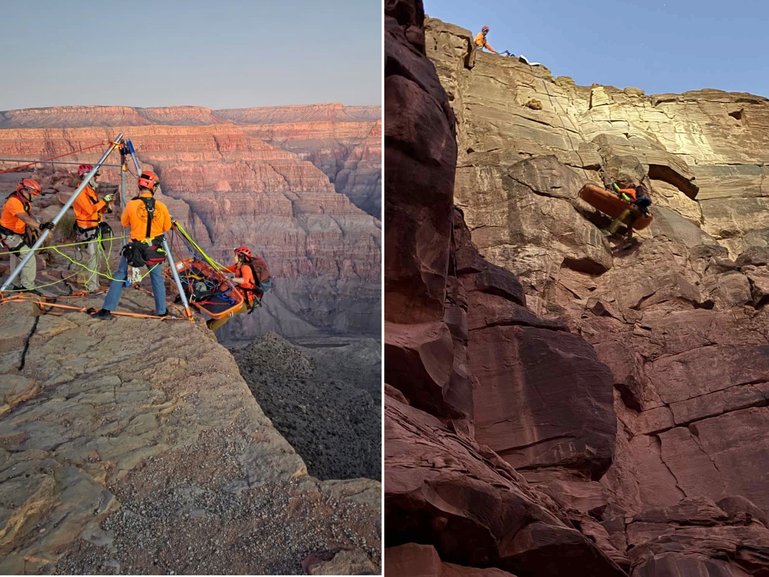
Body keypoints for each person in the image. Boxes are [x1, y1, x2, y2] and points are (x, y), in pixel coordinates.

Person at [94, 170, 171, 319]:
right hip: (153, 248)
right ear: (153, 187)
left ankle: (107, 309)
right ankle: (161, 311)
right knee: (157, 278)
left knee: (120, 274)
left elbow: (124, 222)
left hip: (134, 247)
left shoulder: (131, 204)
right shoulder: (161, 206)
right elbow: (166, 227)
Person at [0, 178, 52, 294]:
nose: (34, 197)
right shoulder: (14, 201)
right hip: (9, 235)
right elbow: (24, 217)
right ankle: (27, 286)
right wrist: (40, 227)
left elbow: (29, 216)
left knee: (16, 258)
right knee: (28, 256)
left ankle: (16, 285)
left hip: (17, 234)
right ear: (24, 191)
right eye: (33, 194)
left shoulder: (25, 202)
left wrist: (41, 225)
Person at [68, 164, 114, 291]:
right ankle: (92, 287)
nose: (96, 179)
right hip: (87, 229)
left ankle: (96, 284)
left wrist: (106, 205)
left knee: (98, 257)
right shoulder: (80, 192)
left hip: (95, 227)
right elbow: (89, 210)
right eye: (94, 176)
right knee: (93, 259)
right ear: (87, 176)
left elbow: (96, 209)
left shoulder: (90, 191)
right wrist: (104, 201)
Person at [206, 246, 272, 331]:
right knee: (223, 305)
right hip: (240, 295)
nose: (234, 257)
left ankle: (209, 328)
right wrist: (215, 268)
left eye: (235, 256)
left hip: (247, 301)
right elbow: (227, 269)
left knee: (228, 312)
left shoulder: (245, 268)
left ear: (241, 257)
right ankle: (209, 324)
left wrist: (231, 278)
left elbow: (245, 280)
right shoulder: (238, 266)